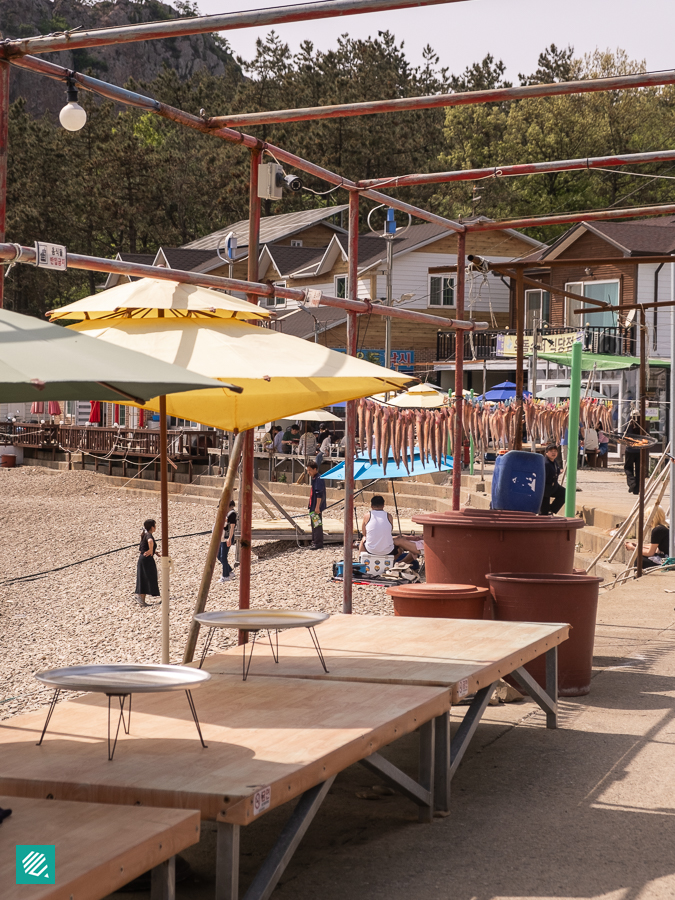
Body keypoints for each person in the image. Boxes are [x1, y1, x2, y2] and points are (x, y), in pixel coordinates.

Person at [358, 496, 421, 562]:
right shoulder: (389, 516)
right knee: (399, 550)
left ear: (371, 506)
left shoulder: (367, 516)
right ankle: (392, 562)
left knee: (363, 539)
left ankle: (361, 560)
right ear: (383, 505)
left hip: (371, 550)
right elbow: (389, 531)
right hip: (387, 551)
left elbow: (364, 533)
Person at [135, 518, 159, 607]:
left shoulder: (145, 534)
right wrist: (151, 550)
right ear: (152, 527)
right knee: (146, 577)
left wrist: (154, 552)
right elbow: (150, 541)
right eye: (155, 526)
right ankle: (140, 599)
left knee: (144, 577)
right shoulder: (149, 535)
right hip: (146, 560)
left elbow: (145, 545)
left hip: (144, 559)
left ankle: (142, 601)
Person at [540, 444, 566, 515]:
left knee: (564, 493)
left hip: (554, 487)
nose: (553, 453)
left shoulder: (554, 461)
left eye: (555, 451)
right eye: (551, 451)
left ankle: (552, 509)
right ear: (546, 452)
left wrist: (559, 471)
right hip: (545, 489)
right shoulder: (545, 463)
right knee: (543, 513)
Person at [306, 461, 326, 550]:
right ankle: (314, 541)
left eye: (310, 470)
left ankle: (318, 543)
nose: (308, 472)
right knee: (314, 524)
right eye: (307, 470)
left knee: (317, 524)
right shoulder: (314, 478)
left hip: (316, 506)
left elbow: (319, 494)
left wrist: (317, 507)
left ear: (315, 469)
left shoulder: (319, 478)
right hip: (313, 505)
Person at [217, 500, 237, 583]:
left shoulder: (232, 513)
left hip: (227, 537)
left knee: (223, 556)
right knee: (219, 555)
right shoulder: (228, 513)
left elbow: (232, 527)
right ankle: (229, 571)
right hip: (223, 537)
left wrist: (229, 538)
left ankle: (225, 576)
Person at [624, 416, 643, 494]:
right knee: (638, 469)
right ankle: (636, 489)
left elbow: (624, 435)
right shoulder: (641, 425)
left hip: (630, 450)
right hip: (639, 451)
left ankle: (632, 482)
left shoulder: (629, 424)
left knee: (628, 467)